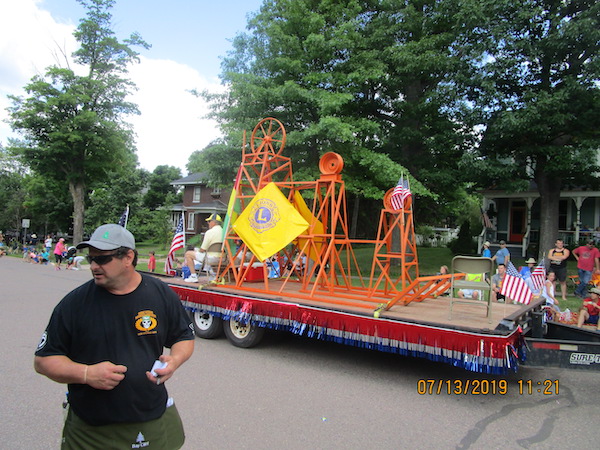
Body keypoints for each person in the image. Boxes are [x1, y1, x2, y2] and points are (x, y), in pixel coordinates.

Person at [34, 223, 194, 449]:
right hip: (91, 429)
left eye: (102, 259)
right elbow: (43, 361)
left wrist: (175, 360)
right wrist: (87, 373)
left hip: (150, 417)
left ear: (128, 257)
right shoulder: (74, 304)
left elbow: (183, 336)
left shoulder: (160, 293)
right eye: (91, 259)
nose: (94, 266)